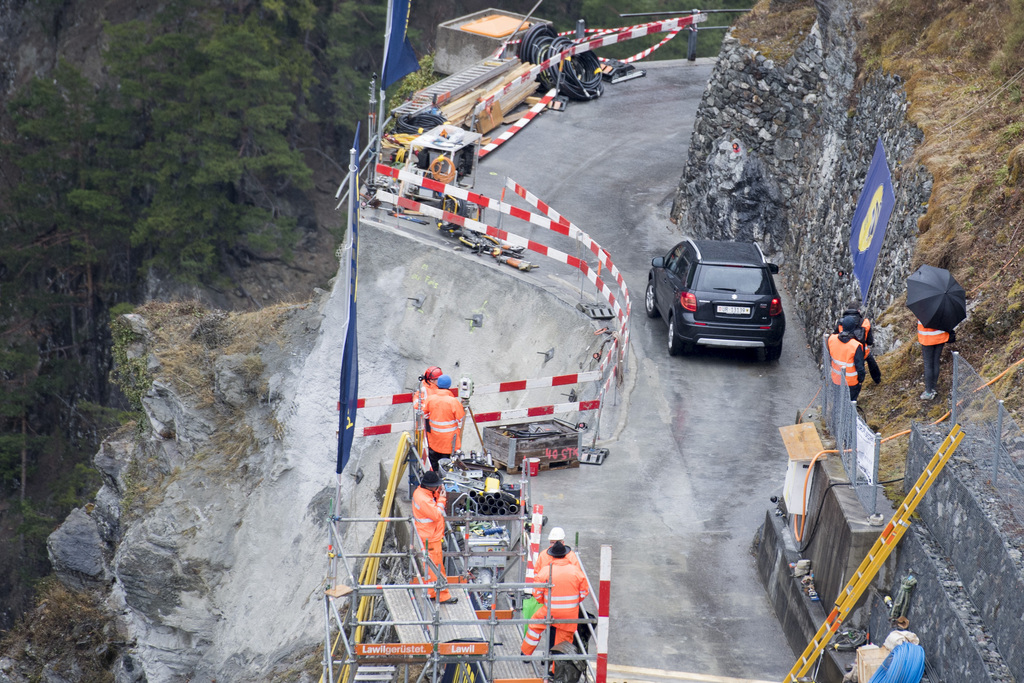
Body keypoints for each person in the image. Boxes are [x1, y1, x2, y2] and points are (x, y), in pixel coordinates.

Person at [521, 541, 589, 656]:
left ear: (551, 556)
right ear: (565, 555)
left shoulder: (546, 571)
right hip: (570, 614)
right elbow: (584, 592)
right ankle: (555, 672)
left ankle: (525, 652)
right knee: (562, 644)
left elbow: (536, 592)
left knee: (534, 626)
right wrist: (573, 603)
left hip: (549, 611)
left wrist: (544, 602)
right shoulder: (576, 571)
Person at [412, 471, 456, 604]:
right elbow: (436, 514)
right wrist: (442, 499)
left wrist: (438, 493)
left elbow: (431, 501)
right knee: (436, 567)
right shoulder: (423, 499)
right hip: (430, 537)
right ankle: (442, 595)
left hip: (428, 535)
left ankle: (431, 592)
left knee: (430, 567)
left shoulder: (421, 493)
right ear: (430, 486)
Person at [423, 375, 466, 472]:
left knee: (433, 464)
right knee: (447, 467)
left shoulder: (430, 399)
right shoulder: (453, 402)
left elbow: (424, 413)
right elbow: (460, 418)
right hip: (449, 442)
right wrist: (462, 405)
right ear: (449, 386)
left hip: (434, 439)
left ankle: (434, 481)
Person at [836, 302, 881, 385]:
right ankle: (877, 380)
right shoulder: (865, 322)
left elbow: (836, 337)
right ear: (858, 311)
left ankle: (841, 382)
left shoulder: (840, 322)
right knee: (871, 362)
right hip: (862, 351)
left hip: (845, 353)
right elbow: (870, 341)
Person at [827, 325, 866, 402]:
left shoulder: (832, 338)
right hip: (851, 383)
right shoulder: (855, 346)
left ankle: (836, 412)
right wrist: (861, 380)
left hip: (836, 379)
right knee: (849, 404)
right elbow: (860, 367)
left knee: (837, 401)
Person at [917, 321, 953, 400]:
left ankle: (928, 392)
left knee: (928, 364)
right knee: (936, 361)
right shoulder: (942, 308)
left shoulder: (923, 308)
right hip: (940, 337)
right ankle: (933, 388)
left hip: (926, 338)